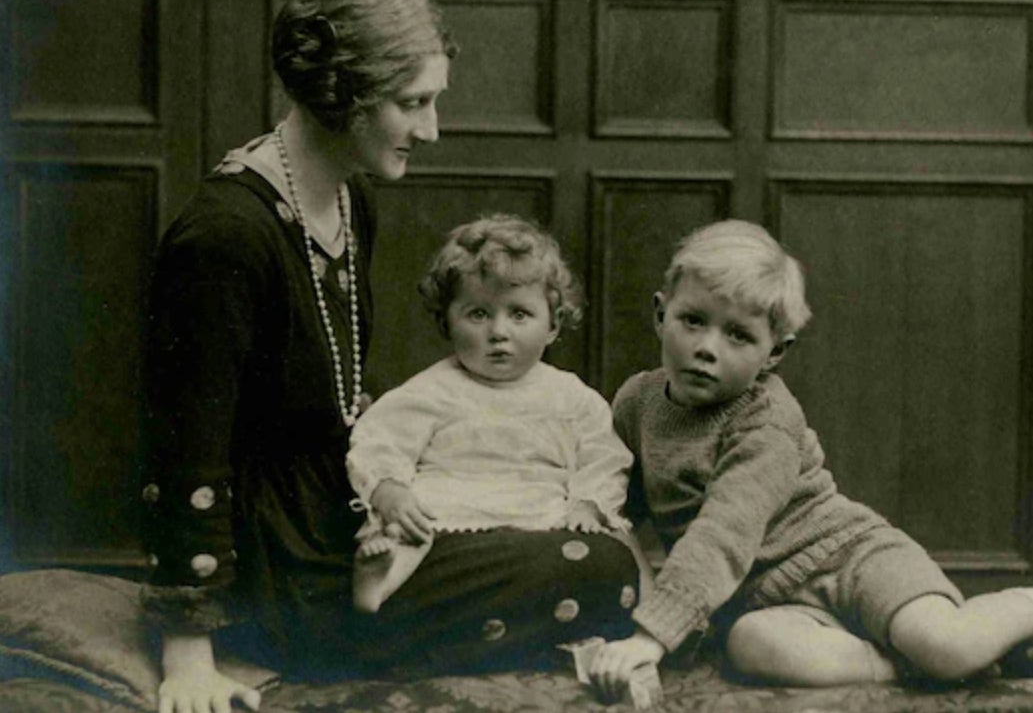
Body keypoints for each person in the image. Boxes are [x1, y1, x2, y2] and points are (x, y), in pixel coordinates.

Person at [141, 0, 456, 713]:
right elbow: (186, 446)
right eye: (412, 103)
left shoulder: (350, 202)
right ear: (339, 94)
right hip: (276, 566)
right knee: (584, 573)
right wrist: (189, 651)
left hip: (342, 521)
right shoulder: (223, 237)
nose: (431, 130)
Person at [589, 219, 1033, 699]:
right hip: (771, 600)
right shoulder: (637, 401)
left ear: (775, 351)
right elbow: (615, 505)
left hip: (851, 558)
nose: (706, 348)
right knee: (750, 645)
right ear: (661, 313)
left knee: (946, 645)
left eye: (738, 336)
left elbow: (727, 530)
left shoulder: (766, 419)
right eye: (693, 320)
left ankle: (1011, 614)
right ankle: (898, 664)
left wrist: (651, 636)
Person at [345, 214, 647, 614]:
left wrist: (588, 504)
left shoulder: (572, 396)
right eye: (478, 314)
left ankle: (653, 614)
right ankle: (376, 586)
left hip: (541, 512)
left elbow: (603, 457)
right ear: (446, 322)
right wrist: (389, 489)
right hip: (452, 508)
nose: (499, 332)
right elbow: (380, 439)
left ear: (553, 325)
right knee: (408, 534)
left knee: (621, 545)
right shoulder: (431, 390)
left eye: (519, 314)